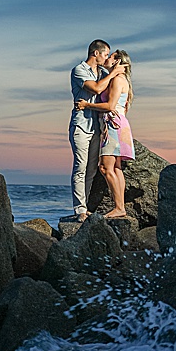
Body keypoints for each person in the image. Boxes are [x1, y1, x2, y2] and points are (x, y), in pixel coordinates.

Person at [69, 40, 127, 222]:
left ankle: (87, 207)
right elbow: (96, 88)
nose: (106, 58)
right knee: (80, 167)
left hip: (98, 128)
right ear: (96, 53)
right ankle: (80, 210)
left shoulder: (102, 72)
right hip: (81, 125)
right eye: (105, 54)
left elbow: (115, 98)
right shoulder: (79, 71)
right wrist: (114, 73)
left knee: (92, 170)